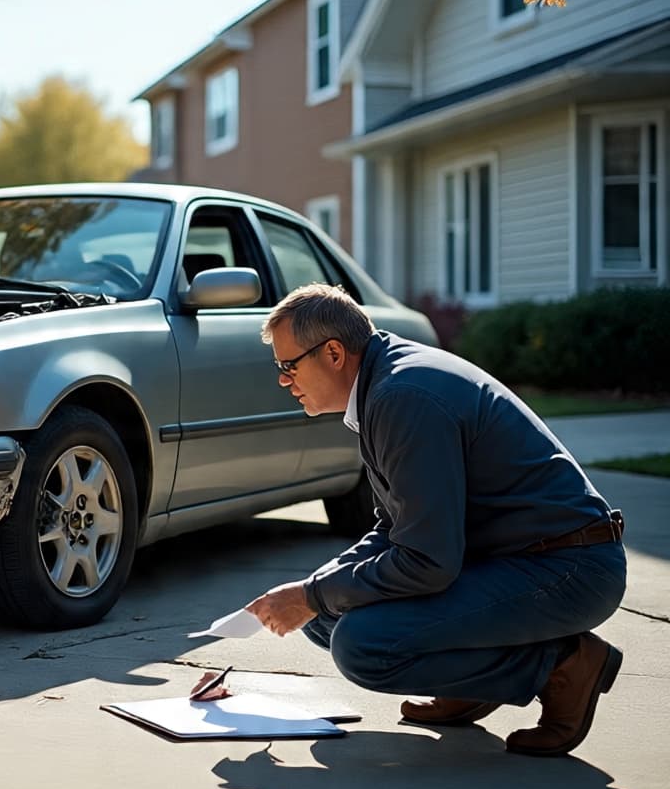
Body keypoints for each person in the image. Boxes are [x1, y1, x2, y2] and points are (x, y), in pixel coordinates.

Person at [244, 283, 627, 757]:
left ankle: (563, 665)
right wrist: (314, 589)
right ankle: (472, 683)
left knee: (361, 645)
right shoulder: (384, 384)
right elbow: (393, 530)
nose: (284, 379)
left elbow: (427, 560)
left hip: (569, 569)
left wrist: (313, 594)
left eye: (288, 365)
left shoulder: (402, 398)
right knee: (323, 616)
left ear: (334, 353)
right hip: (513, 560)